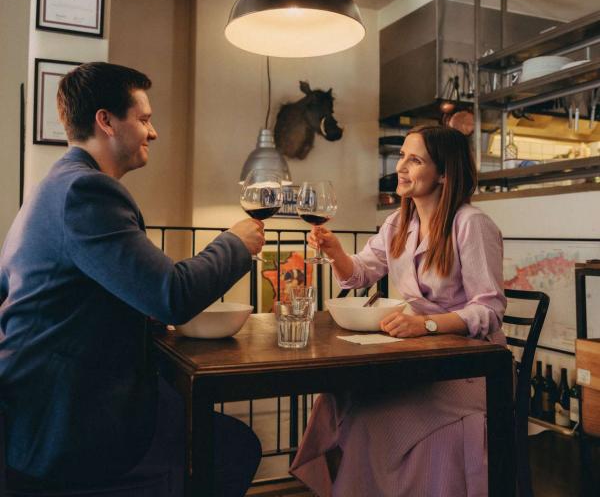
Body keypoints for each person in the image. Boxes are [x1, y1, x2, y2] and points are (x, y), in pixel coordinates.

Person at [0, 62, 264, 496]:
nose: (153, 131)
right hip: (70, 421)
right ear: (106, 121)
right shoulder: (87, 192)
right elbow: (171, 294)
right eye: (143, 119)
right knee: (233, 448)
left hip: (38, 410)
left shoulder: (53, 187)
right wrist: (235, 243)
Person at [290, 125, 506, 497]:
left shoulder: (471, 224)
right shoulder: (399, 223)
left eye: (415, 159)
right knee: (340, 397)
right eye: (402, 156)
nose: (400, 167)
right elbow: (360, 274)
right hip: (417, 360)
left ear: (444, 173)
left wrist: (426, 325)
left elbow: (489, 310)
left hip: (469, 372)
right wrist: (334, 251)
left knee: (371, 414)